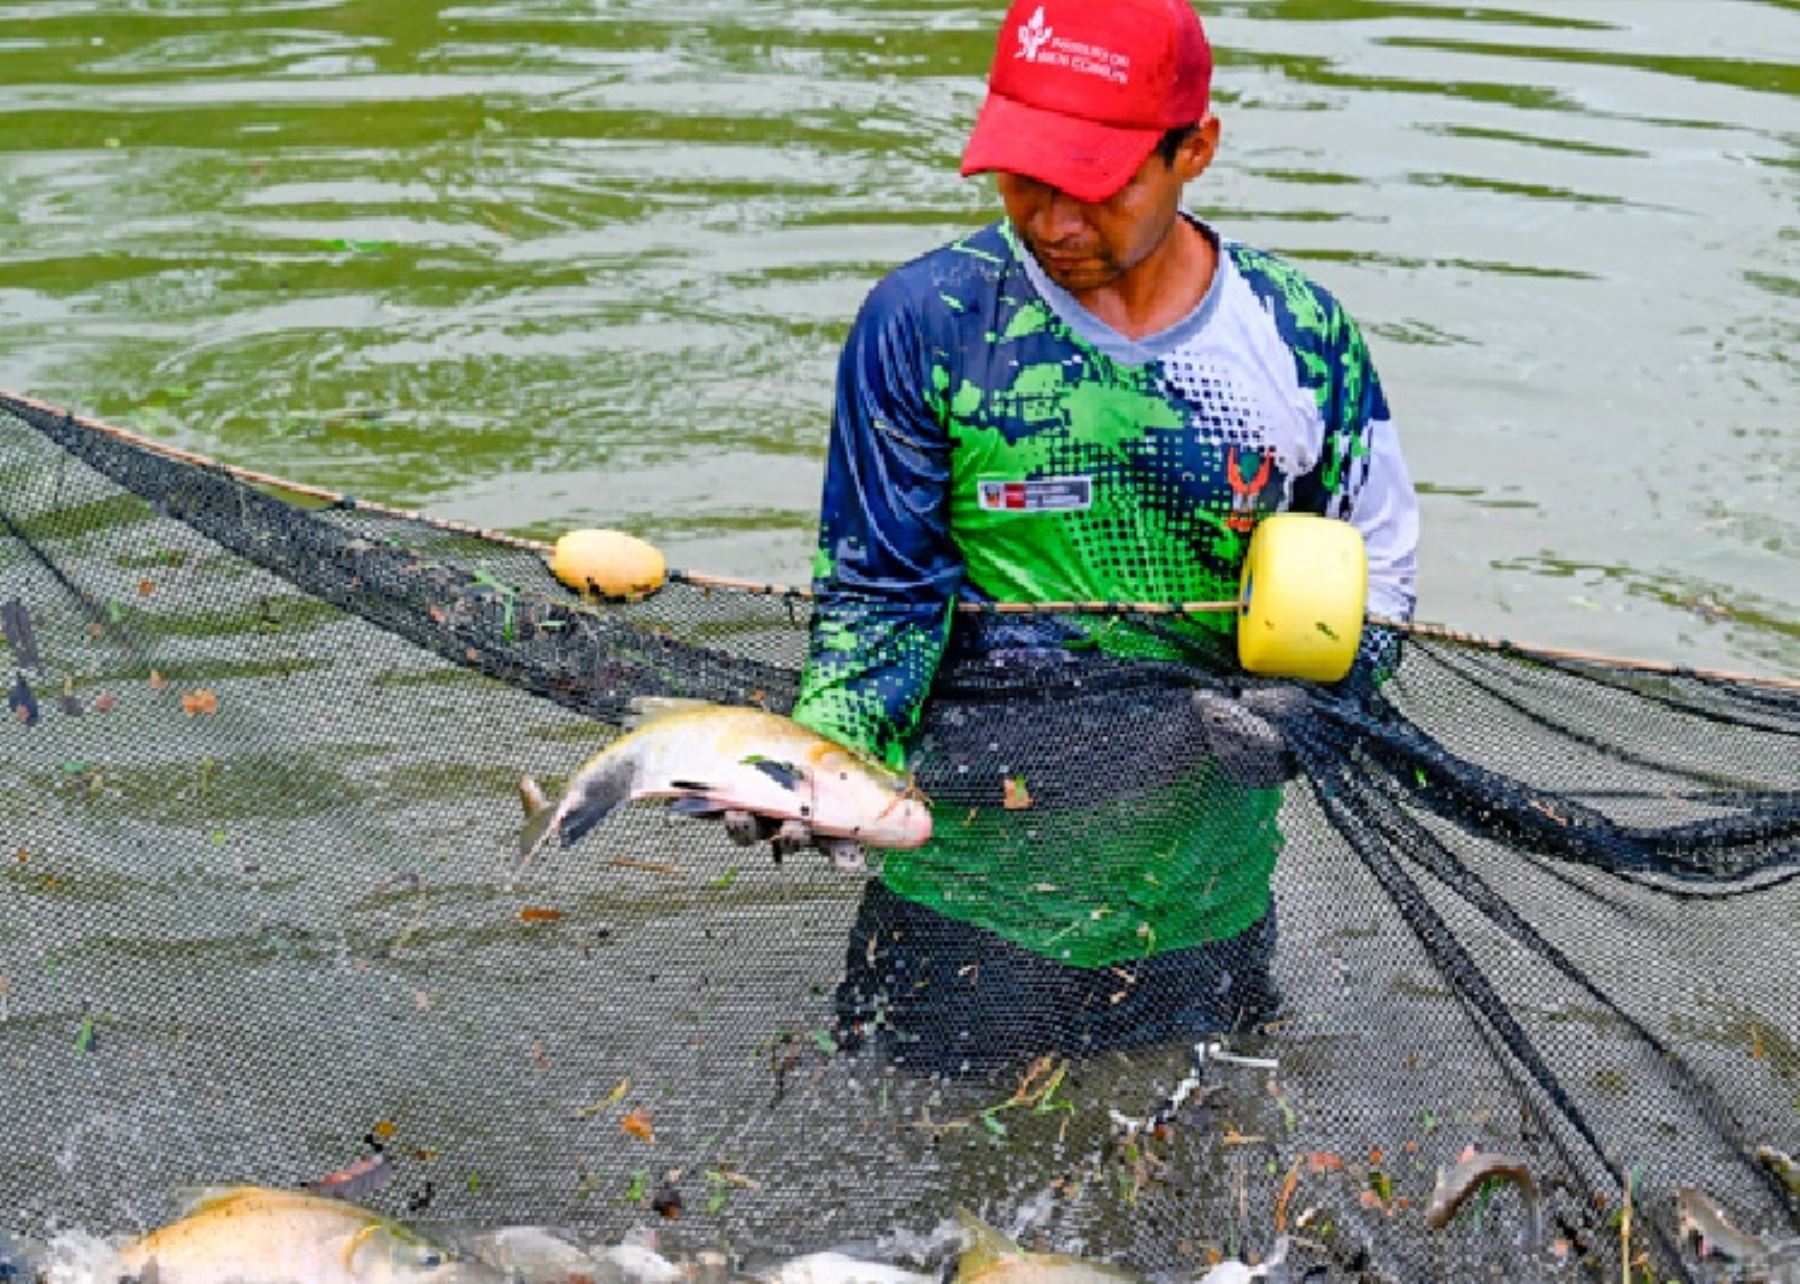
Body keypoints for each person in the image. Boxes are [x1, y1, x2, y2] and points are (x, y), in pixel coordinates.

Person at [734, 0, 1419, 1077]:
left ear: (1193, 149)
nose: (1051, 220)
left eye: (1094, 184)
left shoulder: (1301, 342)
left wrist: (1316, 713)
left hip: (1204, 908)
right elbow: (878, 603)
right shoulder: (926, 323)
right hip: (959, 906)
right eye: (1022, 176)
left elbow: (1377, 588)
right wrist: (817, 767)